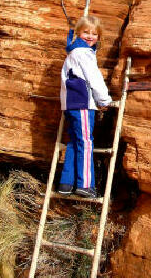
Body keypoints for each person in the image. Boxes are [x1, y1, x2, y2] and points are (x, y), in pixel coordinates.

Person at [58, 15, 112, 198]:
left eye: (94, 34)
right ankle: (85, 185)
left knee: (74, 142)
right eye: (86, 32)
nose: (90, 36)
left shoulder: (73, 52)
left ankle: (66, 183)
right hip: (81, 102)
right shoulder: (83, 53)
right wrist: (104, 100)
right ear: (78, 33)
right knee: (86, 142)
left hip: (70, 103)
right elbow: (94, 78)